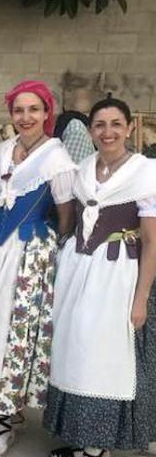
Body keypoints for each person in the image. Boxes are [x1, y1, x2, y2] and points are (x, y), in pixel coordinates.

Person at [0, 80, 77, 457]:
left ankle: (4, 418)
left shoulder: (57, 157)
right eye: (19, 110)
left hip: (28, 252)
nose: (26, 117)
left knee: (12, 333)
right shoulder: (2, 151)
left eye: (33, 110)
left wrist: (46, 256)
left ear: (46, 113)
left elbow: (66, 217)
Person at [44, 98, 156, 457]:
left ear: (129, 128)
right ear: (90, 131)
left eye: (115, 124)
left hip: (119, 273)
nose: (108, 132)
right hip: (80, 269)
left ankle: (97, 448)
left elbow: (152, 242)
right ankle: (81, 438)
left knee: (108, 356)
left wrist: (140, 299)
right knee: (77, 350)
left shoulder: (145, 172)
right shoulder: (84, 168)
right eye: (100, 125)